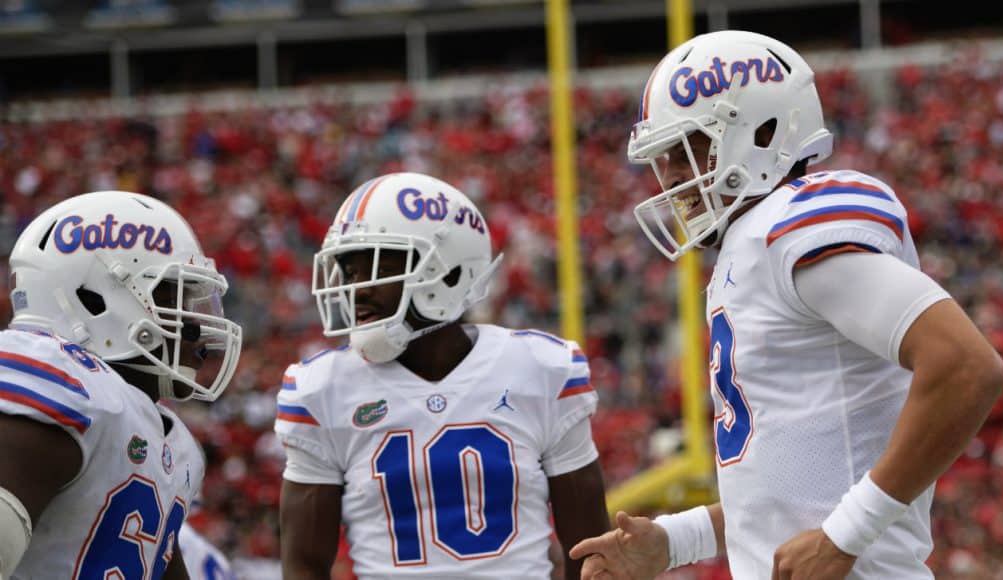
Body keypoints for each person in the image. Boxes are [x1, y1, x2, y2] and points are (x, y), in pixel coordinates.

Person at [569, 30, 1003, 580]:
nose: (675, 177)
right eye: (664, 158)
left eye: (690, 148)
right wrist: (673, 541)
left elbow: (967, 368)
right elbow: (791, 487)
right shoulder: (751, 245)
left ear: (764, 129)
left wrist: (844, 537)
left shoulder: (788, 229)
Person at [276, 171, 610, 579]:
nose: (357, 290)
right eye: (350, 272)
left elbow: (592, 555)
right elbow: (303, 567)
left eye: (376, 266)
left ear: (450, 272)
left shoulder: (541, 370)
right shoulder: (322, 389)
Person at [0, 191, 243, 580]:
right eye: (171, 297)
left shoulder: (171, 441)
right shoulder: (55, 382)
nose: (197, 331)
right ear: (95, 297)